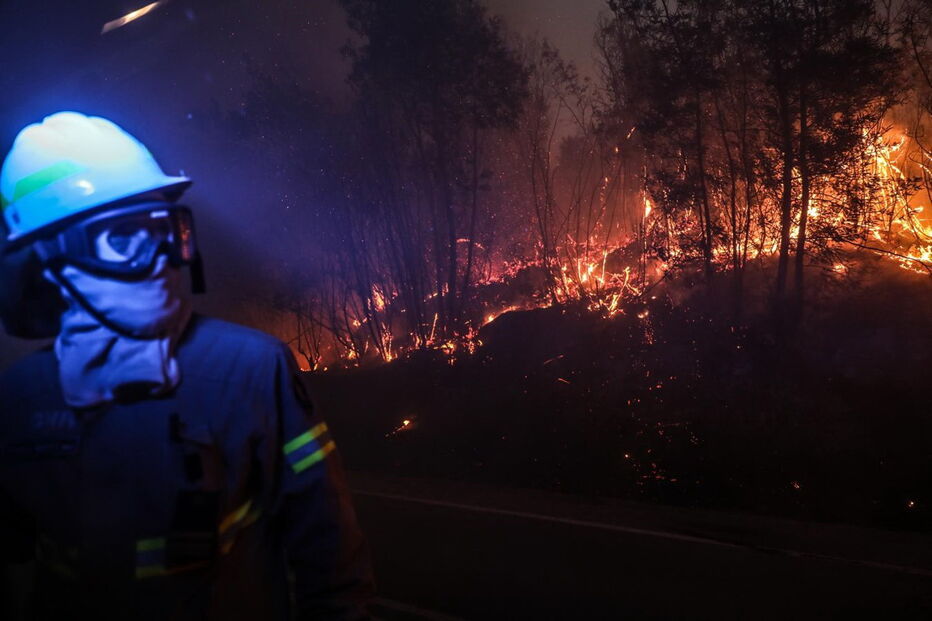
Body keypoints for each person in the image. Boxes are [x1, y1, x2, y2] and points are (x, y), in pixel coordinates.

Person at [0, 112, 373, 620]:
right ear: (48, 264)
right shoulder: (18, 400)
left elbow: (330, 555)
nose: (159, 258)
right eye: (122, 238)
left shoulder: (251, 371)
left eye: (165, 230)